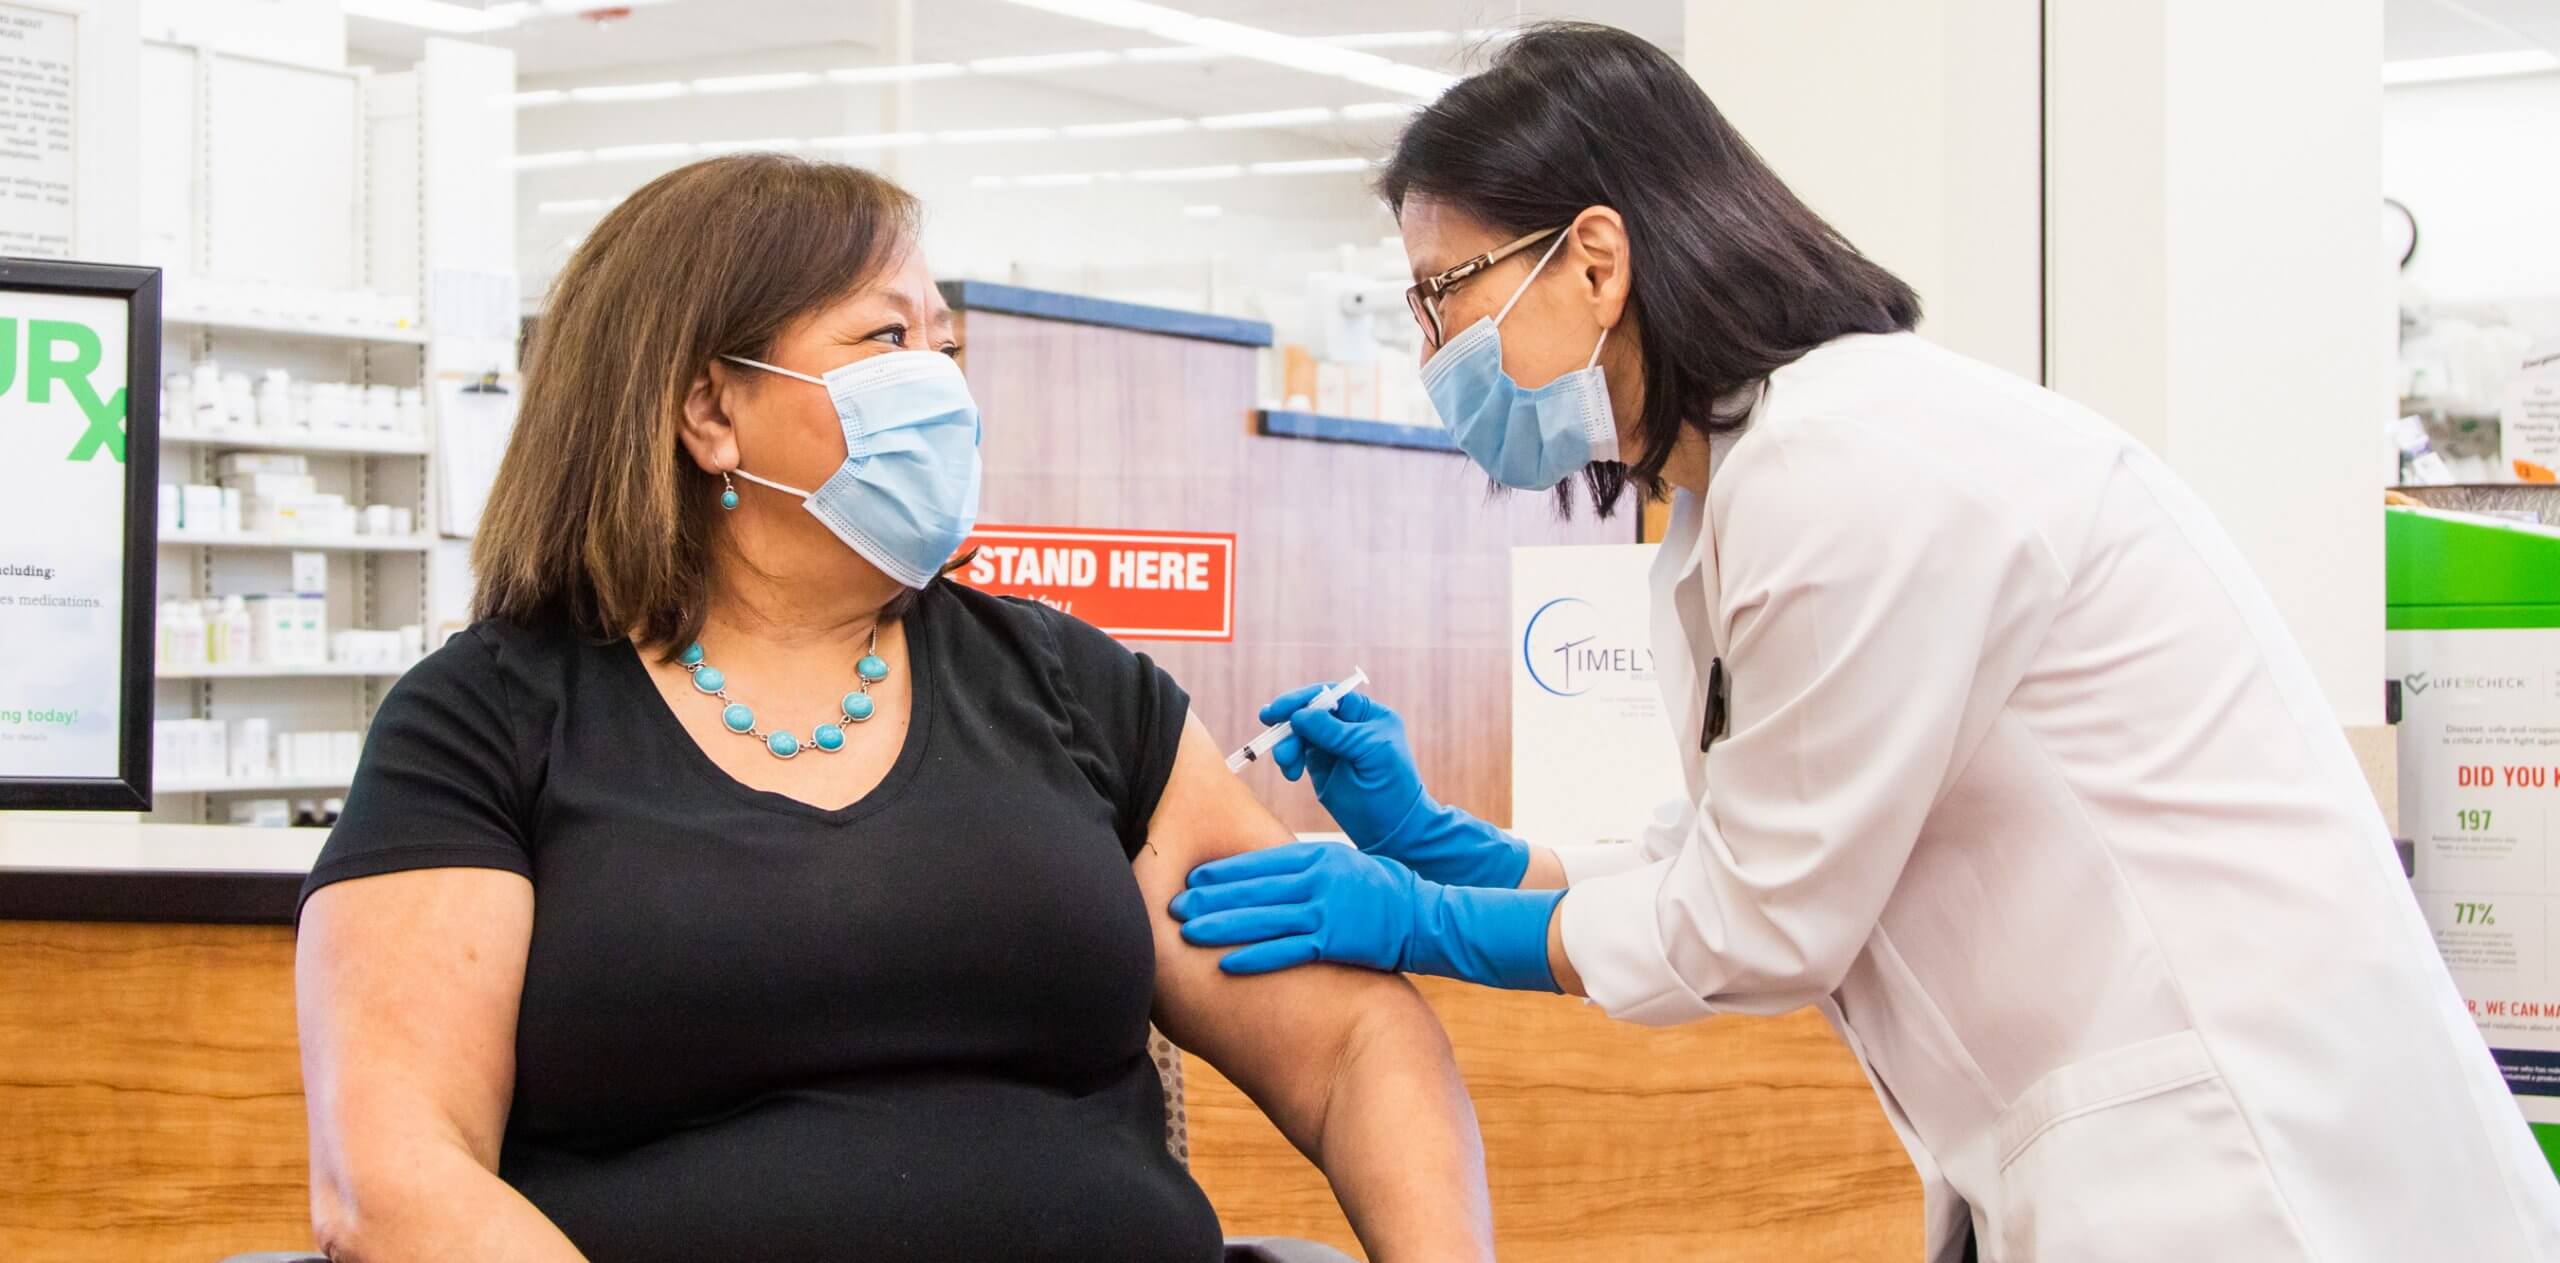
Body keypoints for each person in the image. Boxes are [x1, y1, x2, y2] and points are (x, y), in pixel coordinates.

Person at [1171, 22, 2560, 1262]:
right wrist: (1458, 848)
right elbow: (1736, 847)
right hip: (2113, 1145)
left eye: (1446, 293)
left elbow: (1760, 920)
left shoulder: (1850, 467)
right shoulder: (1749, 487)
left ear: (1595, 257)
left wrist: (1425, 918)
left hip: (2249, 1163)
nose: (1432, 353)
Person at [293, 154, 1494, 1263]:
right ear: (710, 412)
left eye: (946, 346)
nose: (943, 387)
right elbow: (393, 1176)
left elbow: (1348, 1047)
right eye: (886, 338)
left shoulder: (1072, 689)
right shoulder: (484, 724)